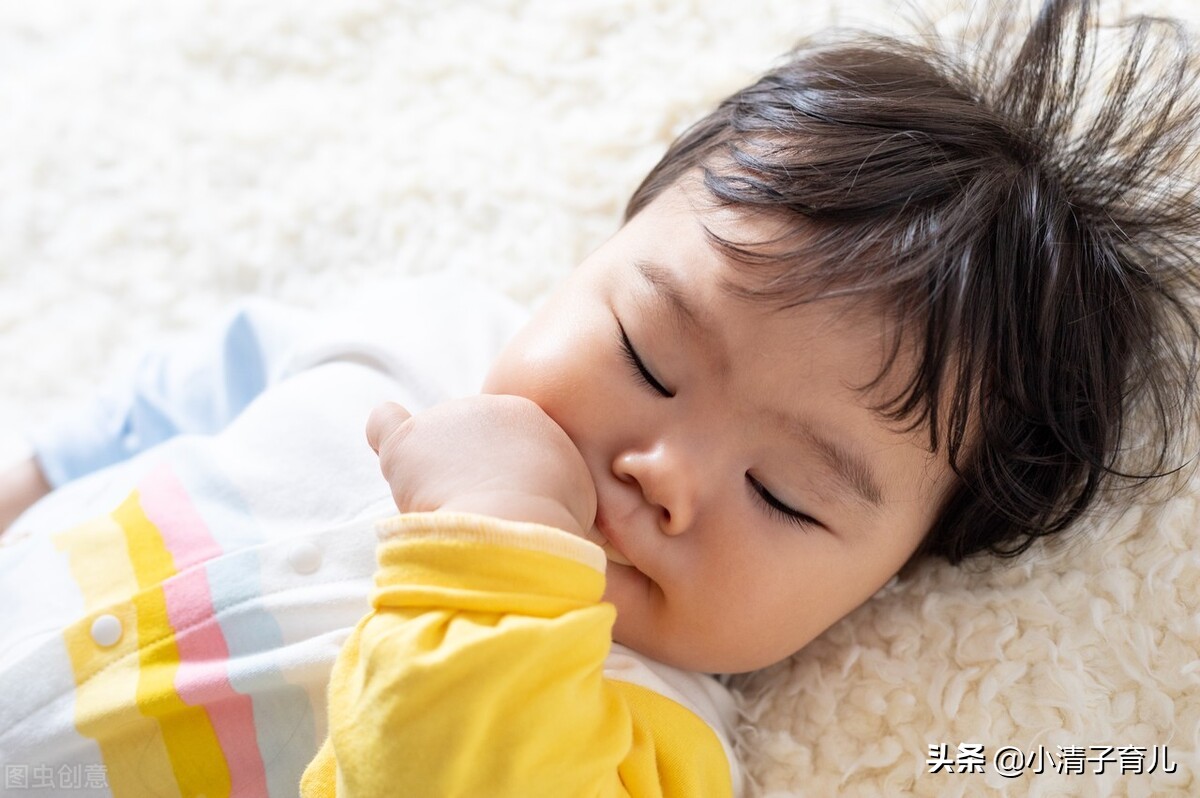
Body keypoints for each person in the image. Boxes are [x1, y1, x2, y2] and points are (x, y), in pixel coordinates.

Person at [2, 0, 1198, 794]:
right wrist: (35, 481)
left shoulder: (640, 735)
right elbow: (207, 380)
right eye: (645, 353)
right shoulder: (426, 331)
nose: (663, 471)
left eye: (783, 496)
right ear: (599, 255)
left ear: (888, 583)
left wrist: (498, 551)